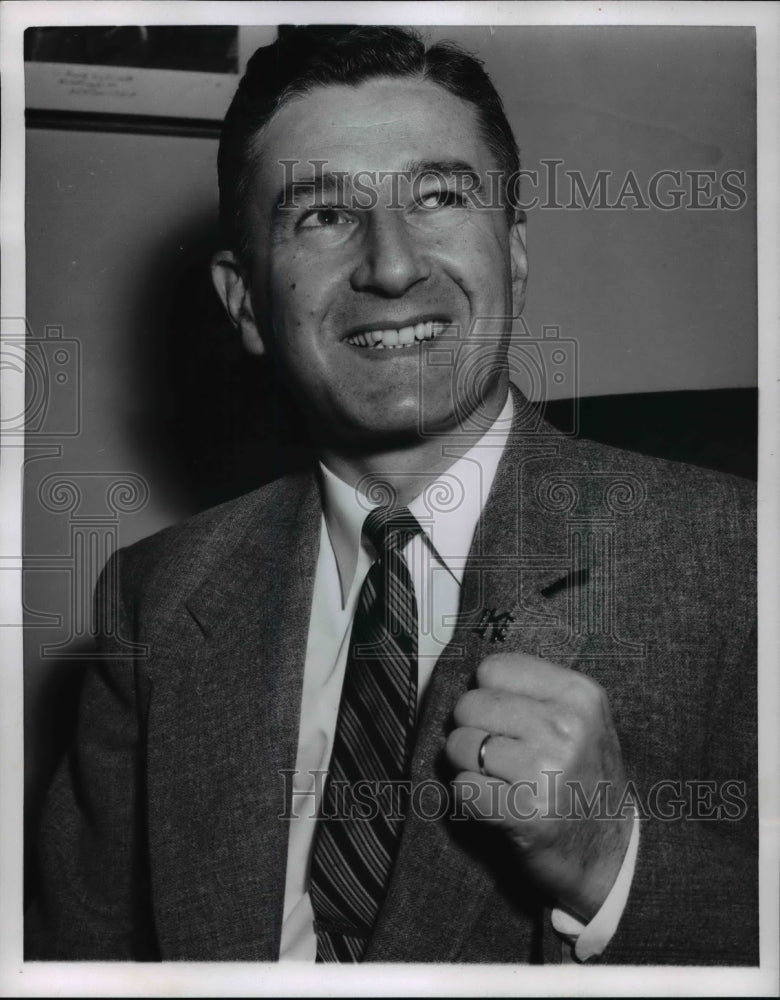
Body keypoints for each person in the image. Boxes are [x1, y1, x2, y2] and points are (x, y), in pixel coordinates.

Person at [26, 25, 756, 964]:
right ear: (244, 300)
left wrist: (616, 861)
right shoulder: (153, 601)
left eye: (442, 195)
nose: (394, 265)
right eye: (322, 216)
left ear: (516, 256)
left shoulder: (739, 559)